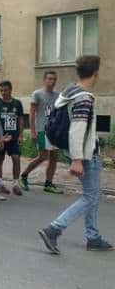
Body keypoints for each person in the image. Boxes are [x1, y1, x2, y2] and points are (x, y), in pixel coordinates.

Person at [39, 55, 112, 254]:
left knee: (92, 195)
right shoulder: (83, 98)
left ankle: (93, 237)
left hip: (75, 151)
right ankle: (53, 229)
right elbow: (77, 130)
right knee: (90, 196)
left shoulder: (69, 91)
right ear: (95, 73)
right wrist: (78, 159)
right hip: (85, 155)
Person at [20, 71, 62, 194]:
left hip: (54, 131)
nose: (52, 81)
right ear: (44, 80)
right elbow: (32, 114)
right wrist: (33, 131)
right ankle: (24, 175)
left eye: (54, 79)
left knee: (54, 157)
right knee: (43, 156)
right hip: (42, 130)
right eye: (50, 78)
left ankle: (48, 183)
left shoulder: (58, 96)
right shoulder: (37, 94)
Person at [0, 80, 25, 195]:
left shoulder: (17, 103)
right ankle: (0, 183)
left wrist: (21, 135)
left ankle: (15, 183)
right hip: (1, 137)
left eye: (5, 90)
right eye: (1, 90)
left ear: (11, 90)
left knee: (16, 158)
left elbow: (21, 120)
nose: (3, 92)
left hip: (13, 137)